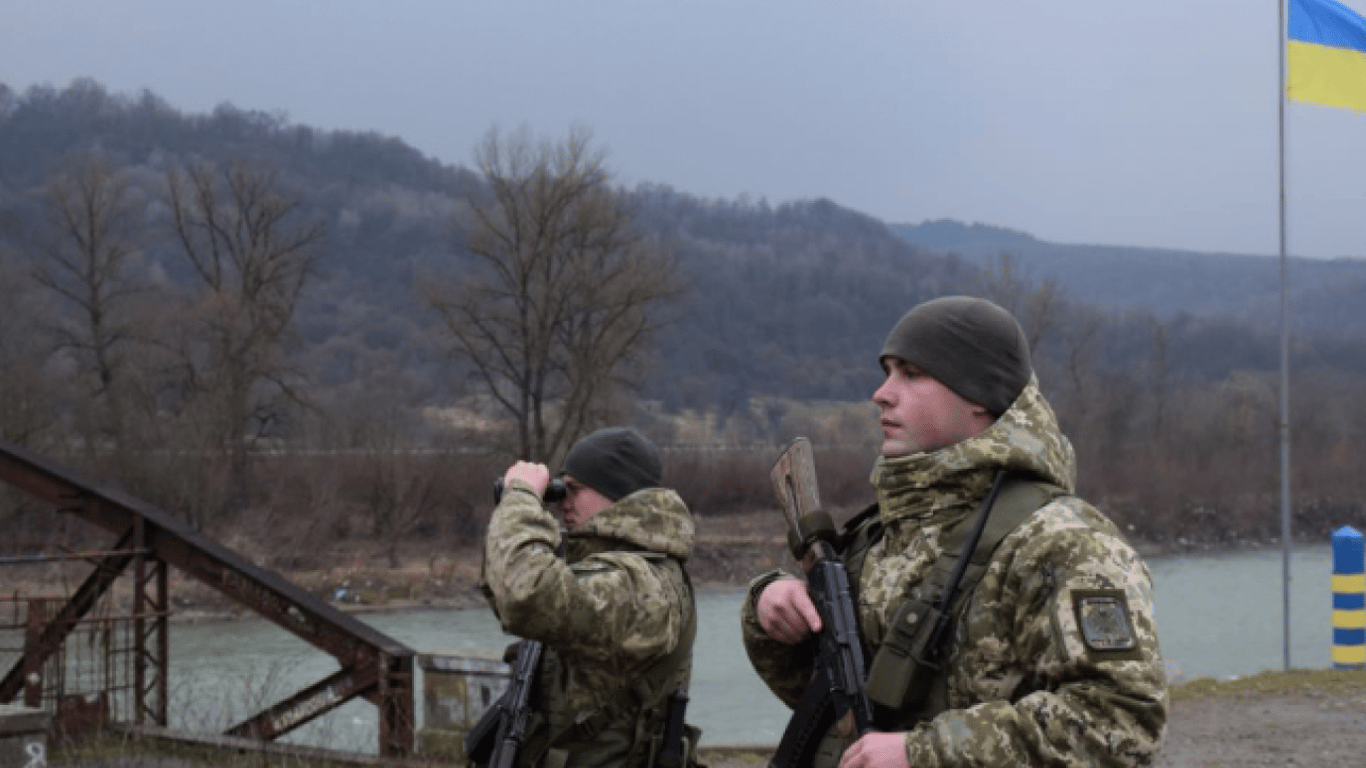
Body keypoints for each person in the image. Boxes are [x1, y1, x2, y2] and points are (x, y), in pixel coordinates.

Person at [741, 296, 1168, 767]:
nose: (882, 393)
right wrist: (772, 611)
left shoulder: (1062, 542)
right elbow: (832, 706)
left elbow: (1121, 725)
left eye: (912, 373)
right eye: (888, 371)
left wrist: (926, 754)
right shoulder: (884, 533)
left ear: (978, 398)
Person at [480, 426, 699, 768]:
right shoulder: (599, 570)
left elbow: (526, 596)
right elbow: (508, 591)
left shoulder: (642, 583)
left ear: (619, 494)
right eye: (560, 490)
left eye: (574, 490)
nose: (562, 502)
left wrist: (521, 499)